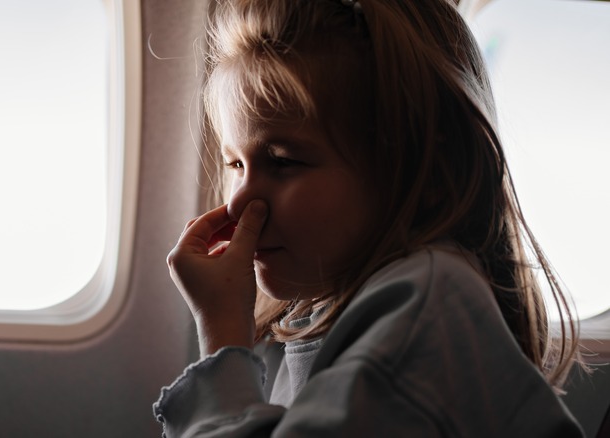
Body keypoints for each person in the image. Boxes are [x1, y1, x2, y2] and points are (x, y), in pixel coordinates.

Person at [153, 0, 585, 436]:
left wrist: (223, 343)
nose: (239, 204)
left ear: (427, 169)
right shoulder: (309, 311)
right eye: (235, 165)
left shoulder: (425, 311)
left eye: (284, 162)